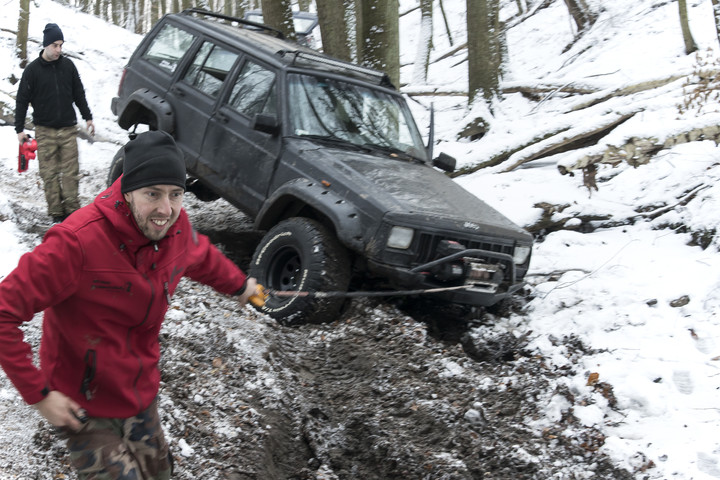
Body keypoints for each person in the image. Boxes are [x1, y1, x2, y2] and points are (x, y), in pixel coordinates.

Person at [0, 131, 258, 479]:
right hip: (83, 404)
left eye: (175, 195)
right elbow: (3, 312)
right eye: (152, 194)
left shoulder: (175, 227)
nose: (165, 209)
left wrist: (242, 286)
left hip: (139, 394)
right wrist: (40, 395)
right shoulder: (76, 243)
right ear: (127, 191)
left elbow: (202, 256)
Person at [14, 22, 95, 223]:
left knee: (70, 174)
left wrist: (88, 116)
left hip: (68, 128)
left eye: (61, 45)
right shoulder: (32, 71)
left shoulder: (68, 66)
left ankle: (72, 215)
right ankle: (56, 215)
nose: (59, 49)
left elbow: (79, 93)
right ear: (46, 45)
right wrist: (19, 129)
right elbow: (22, 100)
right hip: (44, 130)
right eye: (55, 45)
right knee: (49, 175)